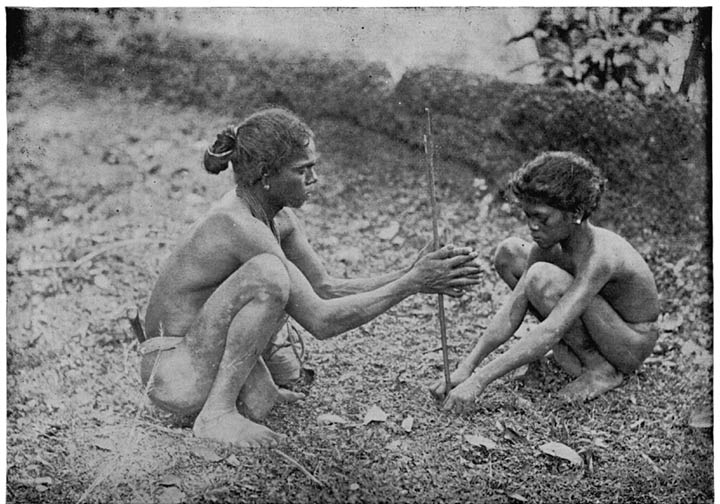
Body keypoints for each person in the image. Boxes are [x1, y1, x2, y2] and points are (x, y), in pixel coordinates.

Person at [141, 107, 481, 447]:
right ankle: (216, 415)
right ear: (265, 174)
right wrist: (413, 283)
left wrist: (411, 270)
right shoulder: (237, 225)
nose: (314, 179)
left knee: (273, 277)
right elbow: (320, 321)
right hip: (172, 375)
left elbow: (325, 289)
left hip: (196, 358)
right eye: (302, 170)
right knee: (270, 274)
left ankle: (250, 393)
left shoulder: (277, 218)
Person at [431, 152, 660, 409]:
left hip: (629, 342)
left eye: (542, 218)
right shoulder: (550, 244)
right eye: (528, 216)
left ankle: (601, 370)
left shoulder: (600, 256)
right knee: (510, 253)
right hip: (598, 321)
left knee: (541, 277)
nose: (532, 227)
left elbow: (552, 327)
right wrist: (467, 368)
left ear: (576, 213)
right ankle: (572, 355)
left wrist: (480, 381)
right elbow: (514, 306)